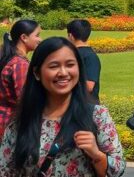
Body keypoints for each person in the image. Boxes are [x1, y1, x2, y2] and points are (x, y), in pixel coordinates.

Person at [0, 37, 125, 177]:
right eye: (54, 66)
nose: (63, 73)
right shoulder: (22, 121)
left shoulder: (97, 116)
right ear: (36, 73)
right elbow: (5, 170)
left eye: (70, 65)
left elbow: (117, 170)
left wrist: (96, 154)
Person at [0, 19, 41, 134]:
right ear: (24, 37)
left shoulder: (7, 56)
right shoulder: (20, 64)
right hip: (10, 124)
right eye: (37, 35)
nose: (40, 39)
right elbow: (25, 99)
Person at [67, 19, 101, 99]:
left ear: (70, 36)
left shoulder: (89, 56)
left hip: (85, 106)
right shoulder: (90, 55)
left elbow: (88, 86)